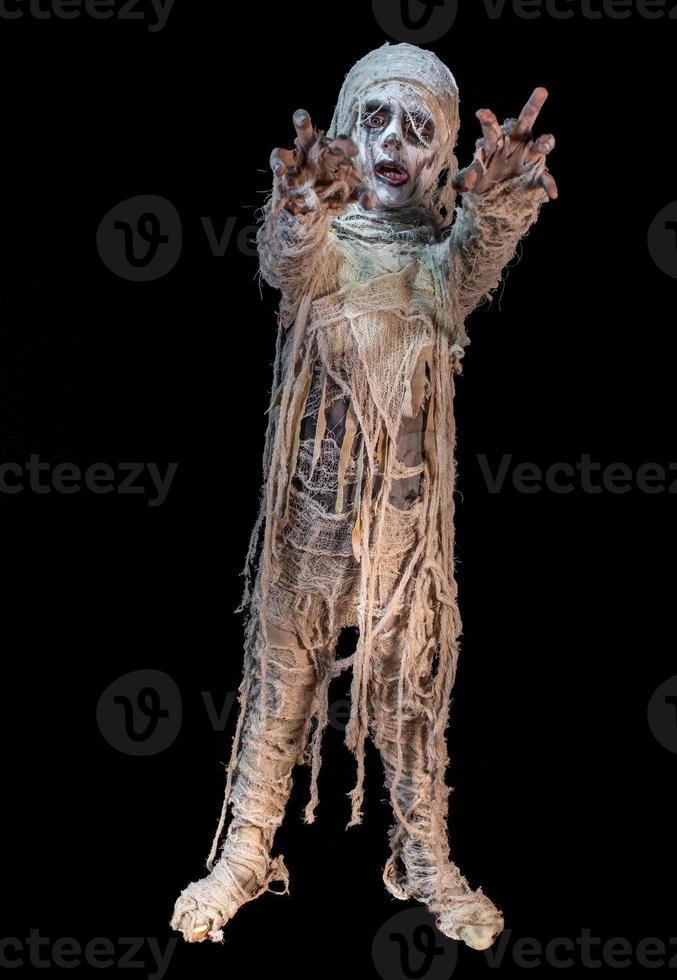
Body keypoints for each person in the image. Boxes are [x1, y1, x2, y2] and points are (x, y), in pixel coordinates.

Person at [171, 41, 556, 952]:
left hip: (404, 538)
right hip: (309, 526)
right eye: (374, 119)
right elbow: (285, 259)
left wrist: (500, 197)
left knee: (412, 700)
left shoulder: (442, 265)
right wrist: (302, 204)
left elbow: (483, 244)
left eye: (420, 129)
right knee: (276, 696)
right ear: (346, 133)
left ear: (444, 158)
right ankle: (242, 855)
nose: (394, 140)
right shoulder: (329, 253)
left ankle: (426, 858)